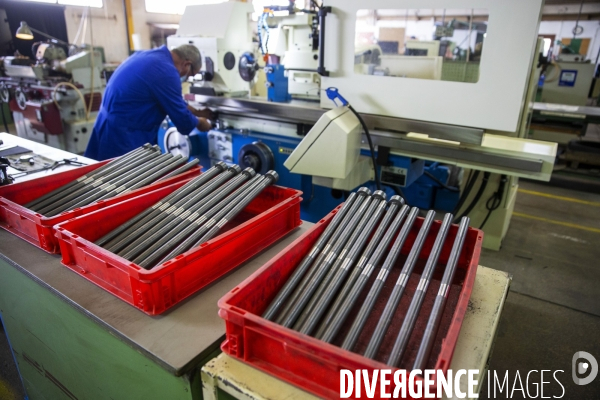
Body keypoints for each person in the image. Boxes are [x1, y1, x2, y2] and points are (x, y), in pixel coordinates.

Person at [84, 44, 213, 160]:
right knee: (125, 181)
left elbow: (171, 99)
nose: (187, 78)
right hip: (124, 135)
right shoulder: (167, 72)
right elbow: (182, 119)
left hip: (106, 124)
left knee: (101, 177)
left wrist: (197, 112)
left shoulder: (150, 56)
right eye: (190, 75)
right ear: (187, 64)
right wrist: (199, 122)